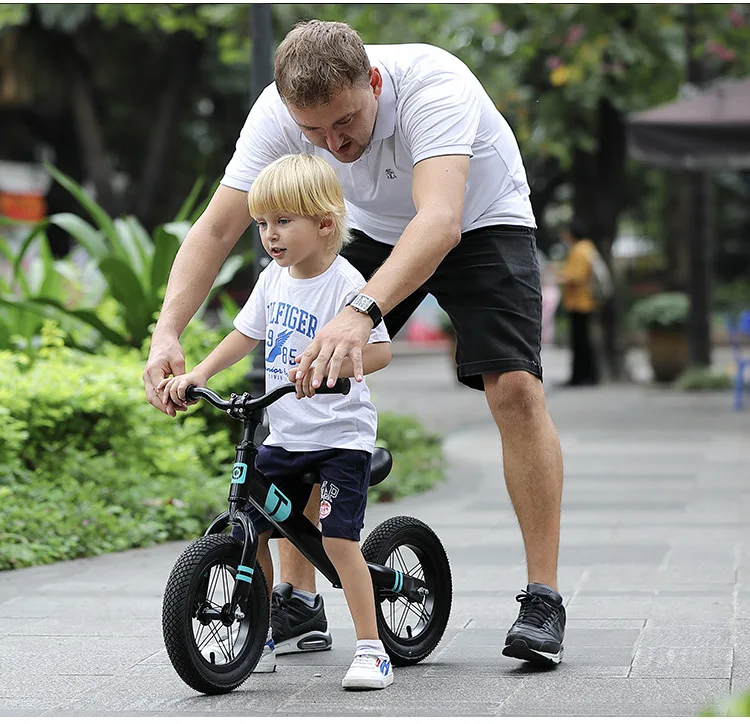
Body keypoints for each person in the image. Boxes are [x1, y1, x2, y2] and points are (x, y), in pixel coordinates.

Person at [143, 19, 567, 667]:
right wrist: (166, 331)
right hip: (363, 228)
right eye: (313, 133)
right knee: (290, 371)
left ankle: (543, 596)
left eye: (345, 123)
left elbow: (439, 221)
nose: (334, 145)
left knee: (513, 388)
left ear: (372, 82)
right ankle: (298, 599)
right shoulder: (276, 114)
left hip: (479, 222)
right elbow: (216, 229)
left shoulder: (435, 84)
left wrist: (360, 312)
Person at [158, 154, 393, 689]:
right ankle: (262, 629)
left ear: (325, 223)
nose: (269, 235)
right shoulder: (273, 280)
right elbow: (244, 336)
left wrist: (334, 361)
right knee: (256, 527)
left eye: (283, 222)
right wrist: (197, 375)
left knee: (337, 542)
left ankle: (372, 648)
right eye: (262, 223)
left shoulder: (345, 283)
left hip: (340, 438)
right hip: (286, 433)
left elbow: (380, 353)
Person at [558, 220, 600, 387]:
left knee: (580, 342)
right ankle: (586, 376)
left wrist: (560, 277)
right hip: (585, 302)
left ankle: (582, 377)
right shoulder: (587, 247)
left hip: (579, 303)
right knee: (584, 341)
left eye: (565, 233)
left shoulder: (579, 250)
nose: (563, 236)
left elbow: (577, 276)